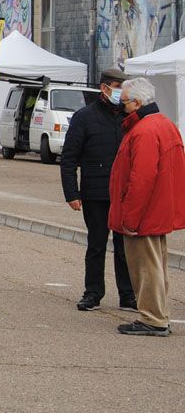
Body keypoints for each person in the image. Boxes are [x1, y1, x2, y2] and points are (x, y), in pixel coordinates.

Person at [108, 77, 185, 336]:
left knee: (145, 267)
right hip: (158, 209)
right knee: (156, 265)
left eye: (126, 102)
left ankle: (153, 318)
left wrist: (130, 218)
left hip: (145, 213)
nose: (122, 106)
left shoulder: (145, 130)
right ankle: (158, 314)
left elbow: (141, 179)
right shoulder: (164, 125)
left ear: (138, 103)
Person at [60, 68, 135, 313]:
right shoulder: (84, 117)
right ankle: (93, 292)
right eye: (118, 87)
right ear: (105, 88)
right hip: (95, 193)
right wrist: (72, 192)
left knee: (125, 247)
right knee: (97, 244)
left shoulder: (129, 117)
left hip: (123, 194)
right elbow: (69, 157)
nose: (122, 93)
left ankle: (128, 294)